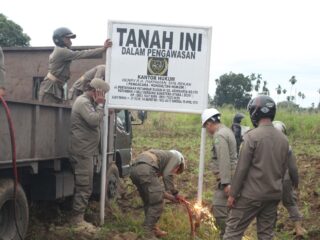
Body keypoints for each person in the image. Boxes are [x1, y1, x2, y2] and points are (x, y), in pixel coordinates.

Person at [224, 95, 289, 240]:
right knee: (266, 235)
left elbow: (241, 169)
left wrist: (233, 194)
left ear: (255, 112)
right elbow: (283, 170)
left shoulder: (251, 137)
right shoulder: (284, 140)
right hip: (273, 195)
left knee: (232, 233)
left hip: (251, 196)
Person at [68, 78, 109, 232]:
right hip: (82, 152)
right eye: (102, 94)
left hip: (86, 151)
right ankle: (77, 220)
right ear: (96, 91)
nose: (103, 97)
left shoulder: (88, 103)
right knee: (84, 187)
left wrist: (101, 107)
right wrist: (100, 105)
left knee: (84, 185)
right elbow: (93, 120)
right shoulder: (83, 102)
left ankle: (78, 217)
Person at [38, 27, 112, 104]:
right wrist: (103, 49)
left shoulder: (60, 50)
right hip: (50, 88)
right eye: (68, 39)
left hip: (55, 87)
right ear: (60, 39)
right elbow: (82, 54)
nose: (70, 42)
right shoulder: (61, 51)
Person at [130, 149, 186, 238]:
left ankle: (153, 228)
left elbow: (157, 192)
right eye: (176, 170)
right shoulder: (176, 158)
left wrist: (172, 198)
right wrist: (175, 193)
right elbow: (167, 175)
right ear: (179, 165)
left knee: (150, 199)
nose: (174, 172)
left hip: (134, 170)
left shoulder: (162, 158)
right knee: (157, 203)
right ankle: (147, 233)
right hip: (145, 170)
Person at [201, 108, 238, 239]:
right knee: (227, 209)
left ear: (209, 123)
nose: (207, 130)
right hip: (230, 176)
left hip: (227, 178)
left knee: (219, 208)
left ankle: (228, 235)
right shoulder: (226, 131)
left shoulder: (219, 135)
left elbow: (224, 159)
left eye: (206, 127)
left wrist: (226, 183)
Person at [273, 121, 306, 237]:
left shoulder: (265, 145)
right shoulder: (287, 146)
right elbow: (292, 167)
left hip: (269, 180)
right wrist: (295, 182)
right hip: (285, 179)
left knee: (271, 206)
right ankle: (299, 229)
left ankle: (270, 232)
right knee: (291, 203)